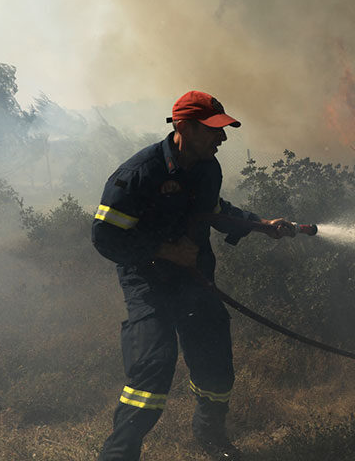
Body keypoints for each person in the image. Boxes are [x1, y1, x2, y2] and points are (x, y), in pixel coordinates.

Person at [92, 90, 295, 460]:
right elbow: (105, 236)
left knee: (216, 364)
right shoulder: (138, 174)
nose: (223, 138)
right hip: (148, 283)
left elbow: (213, 211)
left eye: (224, 129)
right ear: (184, 127)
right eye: (214, 130)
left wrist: (260, 225)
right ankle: (118, 454)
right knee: (152, 368)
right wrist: (163, 250)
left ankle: (211, 437)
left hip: (194, 279)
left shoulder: (206, 168)